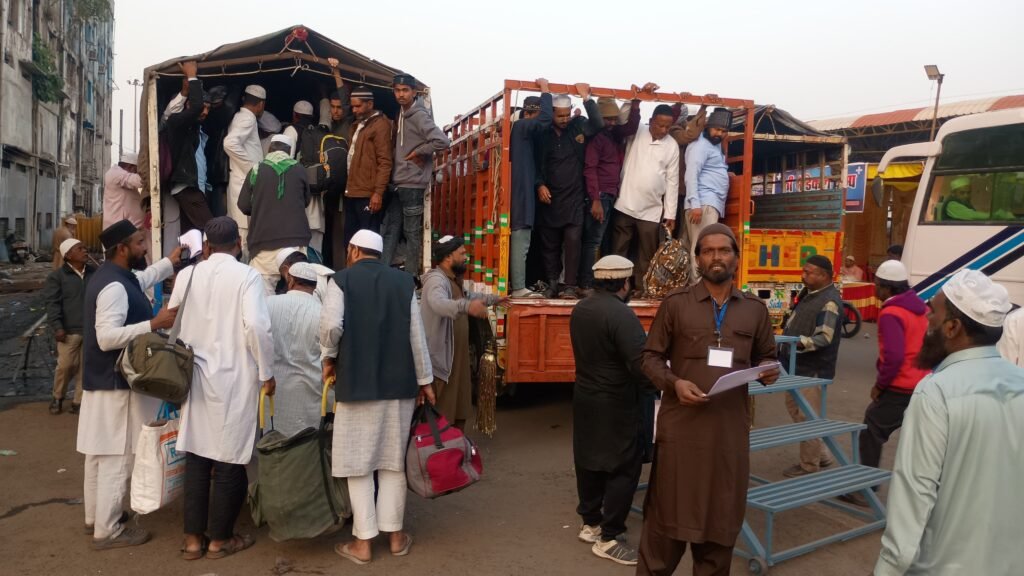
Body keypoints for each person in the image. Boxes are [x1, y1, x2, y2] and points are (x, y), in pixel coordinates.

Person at [638, 223, 779, 575]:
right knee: (665, 526)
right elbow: (650, 358)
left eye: (724, 250)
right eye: (709, 250)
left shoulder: (754, 310)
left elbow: (767, 356)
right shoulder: (676, 305)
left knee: (720, 525)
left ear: (735, 256)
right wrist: (674, 383)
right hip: (681, 433)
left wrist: (768, 369)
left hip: (728, 436)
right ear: (698, 258)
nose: (717, 257)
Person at [874, 268, 1024, 576]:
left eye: (934, 314)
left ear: (953, 327)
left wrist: (888, 567)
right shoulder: (1020, 380)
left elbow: (915, 490)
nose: (927, 321)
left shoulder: (936, 391)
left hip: (945, 564)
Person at [319, 229, 434, 565]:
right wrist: (425, 381)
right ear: (379, 254)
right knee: (392, 462)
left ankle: (363, 542)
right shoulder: (403, 284)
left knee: (358, 463)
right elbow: (417, 336)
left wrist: (328, 356)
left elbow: (330, 327)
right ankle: (396, 537)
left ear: (353, 250)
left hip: (356, 386)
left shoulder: (340, 281)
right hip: (399, 387)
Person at [173, 217, 275, 561]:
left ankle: (191, 540)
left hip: (195, 379)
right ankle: (219, 540)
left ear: (207, 245)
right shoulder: (247, 276)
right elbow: (258, 327)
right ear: (238, 244)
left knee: (198, 457)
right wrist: (267, 371)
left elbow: (173, 320)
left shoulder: (187, 276)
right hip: (234, 379)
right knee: (230, 459)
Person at [78, 219, 181, 550]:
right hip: (116, 386)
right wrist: (154, 323)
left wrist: (171, 262)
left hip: (102, 382)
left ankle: (96, 518)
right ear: (122, 249)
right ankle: (108, 531)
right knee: (117, 458)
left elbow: (143, 278)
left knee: (98, 454)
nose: (144, 247)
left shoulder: (114, 277)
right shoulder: (114, 288)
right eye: (139, 243)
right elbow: (106, 337)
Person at [569, 255, 653, 566]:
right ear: (625, 282)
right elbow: (640, 366)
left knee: (589, 460)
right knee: (623, 467)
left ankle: (590, 523)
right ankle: (609, 537)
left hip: (586, 397)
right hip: (617, 402)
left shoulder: (583, 308)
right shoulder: (621, 315)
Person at [840, 260, 929, 508]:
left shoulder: (891, 313)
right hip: (922, 382)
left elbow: (894, 357)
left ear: (886, 288)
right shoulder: (920, 308)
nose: (875, 290)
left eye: (877, 286)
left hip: (900, 386)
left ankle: (865, 489)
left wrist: (880, 385)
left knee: (871, 431)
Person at [420, 235, 504, 429]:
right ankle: (439, 457)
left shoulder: (454, 279)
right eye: (462, 253)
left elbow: (469, 296)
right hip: (442, 367)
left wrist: (494, 299)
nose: (467, 256)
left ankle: (455, 455)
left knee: (458, 416)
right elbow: (438, 303)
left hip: (457, 364)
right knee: (439, 420)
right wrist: (467, 307)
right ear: (449, 257)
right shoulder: (436, 280)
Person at [535, 85, 603, 299]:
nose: (564, 119)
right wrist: (539, 184)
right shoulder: (543, 133)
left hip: (574, 198)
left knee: (574, 241)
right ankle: (553, 283)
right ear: (552, 113)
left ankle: (570, 286)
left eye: (567, 115)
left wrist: (586, 98)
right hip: (550, 199)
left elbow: (598, 124)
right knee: (550, 244)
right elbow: (535, 164)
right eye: (560, 116)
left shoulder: (578, 126)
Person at [579, 85, 647, 292]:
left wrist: (635, 104)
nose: (611, 122)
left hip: (610, 195)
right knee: (593, 241)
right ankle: (586, 284)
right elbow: (590, 169)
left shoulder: (613, 134)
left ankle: (600, 284)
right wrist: (596, 200)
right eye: (607, 119)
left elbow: (631, 128)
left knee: (604, 240)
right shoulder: (596, 139)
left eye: (613, 119)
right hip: (600, 196)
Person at [382, 73, 451, 276]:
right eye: (397, 90)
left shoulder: (419, 115)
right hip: (399, 182)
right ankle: (384, 275)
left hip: (412, 183)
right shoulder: (402, 113)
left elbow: (442, 142)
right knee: (392, 230)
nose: (401, 94)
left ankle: (411, 279)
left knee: (411, 233)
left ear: (413, 92)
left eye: (405, 90)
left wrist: (419, 152)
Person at [780, 254, 842, 477]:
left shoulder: (829, 301)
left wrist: (794, 343)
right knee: (797, 412)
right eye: (804, 271)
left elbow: (824, 338)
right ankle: (822, 455)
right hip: (796, 367)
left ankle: (809, 466)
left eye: (808, 272)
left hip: (812, 370)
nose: (803, 275)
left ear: (824, 276)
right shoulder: (810, 294)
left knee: (807, 418)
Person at [612, 105, 680, 295]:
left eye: (668, 127)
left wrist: (670, 214)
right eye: (660, 125)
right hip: (624, 202)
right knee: (619, 249)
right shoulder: (637, 131)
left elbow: (672, 181)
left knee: (647, 255)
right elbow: (622, 117)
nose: (664, 130)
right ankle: (616, 287)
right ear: (651, 122)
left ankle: (643, 289)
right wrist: (634, 100)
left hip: (651, 209)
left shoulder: (672, 146)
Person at [237, 135, 311, 295]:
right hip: (295, 243)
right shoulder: (300, 169)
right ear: (289, 151)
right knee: (298, 292)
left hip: (264, 243)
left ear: (269, 150)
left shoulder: (256, 169)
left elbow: (243, 205)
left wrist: (260, 208)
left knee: (263, 297)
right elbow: (306, 201)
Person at [265, 262, 323, 437]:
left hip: (272, 391)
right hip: (307, 394)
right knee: (303, 449)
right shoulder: (322, 311)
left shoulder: (268, 303)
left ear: (290, 280)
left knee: (271, 446)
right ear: (314, 286)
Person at [509, 79, 552, 298]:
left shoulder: (517, 133)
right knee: (521, 239)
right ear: (529, 114)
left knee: (521, 239)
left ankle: (518, 285)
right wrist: (546, 91)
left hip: (519, 191)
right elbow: (545, 120)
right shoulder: (523, 126)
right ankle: (518, 287)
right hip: (521, 195)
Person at [43, 239, 96, 415]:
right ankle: (58, 397)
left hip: (90, 330)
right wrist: (57, 326)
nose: (85, 250)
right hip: (68, 331)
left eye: (84, 247)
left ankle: (78, 402)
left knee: (85, 368)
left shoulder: (93, 273)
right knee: (65, 366)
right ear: (69, 255)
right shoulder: (57, 277)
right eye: (80, 249)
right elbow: (52, 304)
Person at [164, 61, 215, 233]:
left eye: (209, 109)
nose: (205, 112)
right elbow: (194, 108)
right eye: (203, 107)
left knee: (192, 236)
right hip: (187, 188)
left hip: (197, 188)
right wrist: (192, 76)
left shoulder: (196, 129)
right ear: (188, 106)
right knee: (213, 231)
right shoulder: (177, 123)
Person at [343, 86, 393, 256]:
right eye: (353, 107)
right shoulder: (358, 124)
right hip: (352, 192)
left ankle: (366, 279)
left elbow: (385, 162)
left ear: (370, 104)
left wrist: (378, 193)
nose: (354, 110)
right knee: (351, 241)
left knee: (367, 243)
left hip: (368, 194)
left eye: (358, 106)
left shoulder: (380, 125)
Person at [683, 108, 732, 281]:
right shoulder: (700, 146)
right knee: (702, 247)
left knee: (702, 245)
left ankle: (697, 285)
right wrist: (695, 204)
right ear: (709, 126)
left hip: (709, 202)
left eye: (724, 131)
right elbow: (691, 175)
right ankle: (698, 286)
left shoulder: (715, 145)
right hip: (702, 203)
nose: (719, 134)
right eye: (717, 129)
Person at [223, 84, 267, 255]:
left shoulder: (239, 117)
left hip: (240, 183)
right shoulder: (247, 119)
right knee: (244, 235)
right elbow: (230, 143)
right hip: (244, 184)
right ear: (261, 104)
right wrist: (253, 169)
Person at [321, 58, 352, 270]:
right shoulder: (328, 127)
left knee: (341, 232)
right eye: (333, 107)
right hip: (329, 188)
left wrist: (336, 72)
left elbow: (344, 99)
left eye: (339, 107)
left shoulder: (348, 123)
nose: (336, 111)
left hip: (346, 187)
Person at [669, 103, 708, 239]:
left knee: (683, 233)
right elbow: (690, 134)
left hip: (686, 192)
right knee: (672, 230)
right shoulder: (673, 132)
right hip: (676, 190)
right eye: (690, 119)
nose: (691, 123)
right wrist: (703, 109)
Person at [101, 153, 144, 231]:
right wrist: (149, 171)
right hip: (120, 232)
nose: (137, 173)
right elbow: (139, 181)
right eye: (137, 170)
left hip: (130, 230)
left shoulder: (121, 175)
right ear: (131, 167)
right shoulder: (115, 173)